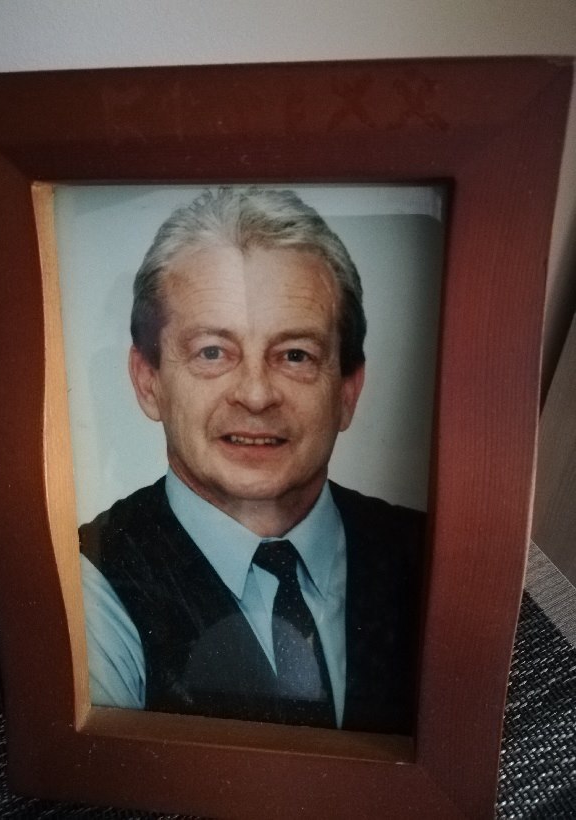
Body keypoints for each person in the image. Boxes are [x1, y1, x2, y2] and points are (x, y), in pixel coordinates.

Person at [79, 187, 425, 734]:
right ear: (148, 382)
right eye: (213, 352)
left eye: (295, 355)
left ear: (348, 391)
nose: (257, 395)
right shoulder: (88, 579)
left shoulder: (431, 551)